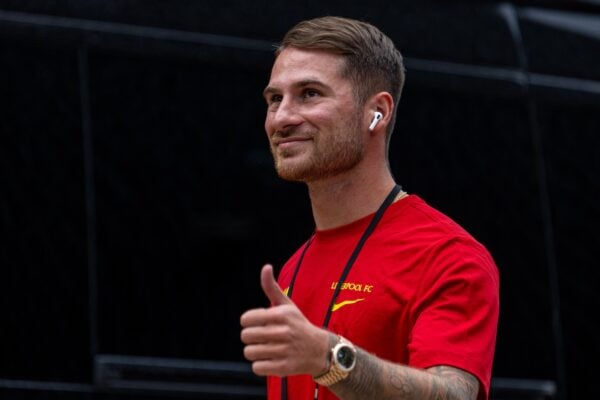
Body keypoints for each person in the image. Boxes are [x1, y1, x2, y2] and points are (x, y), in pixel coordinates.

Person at [240, 16, 499, 400]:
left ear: (376, 111)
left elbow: (453, 395)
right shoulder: (295, 266)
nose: (281, 118)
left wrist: (329, 358)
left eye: (310, 93)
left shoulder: (448, 256)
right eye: (275, 98)